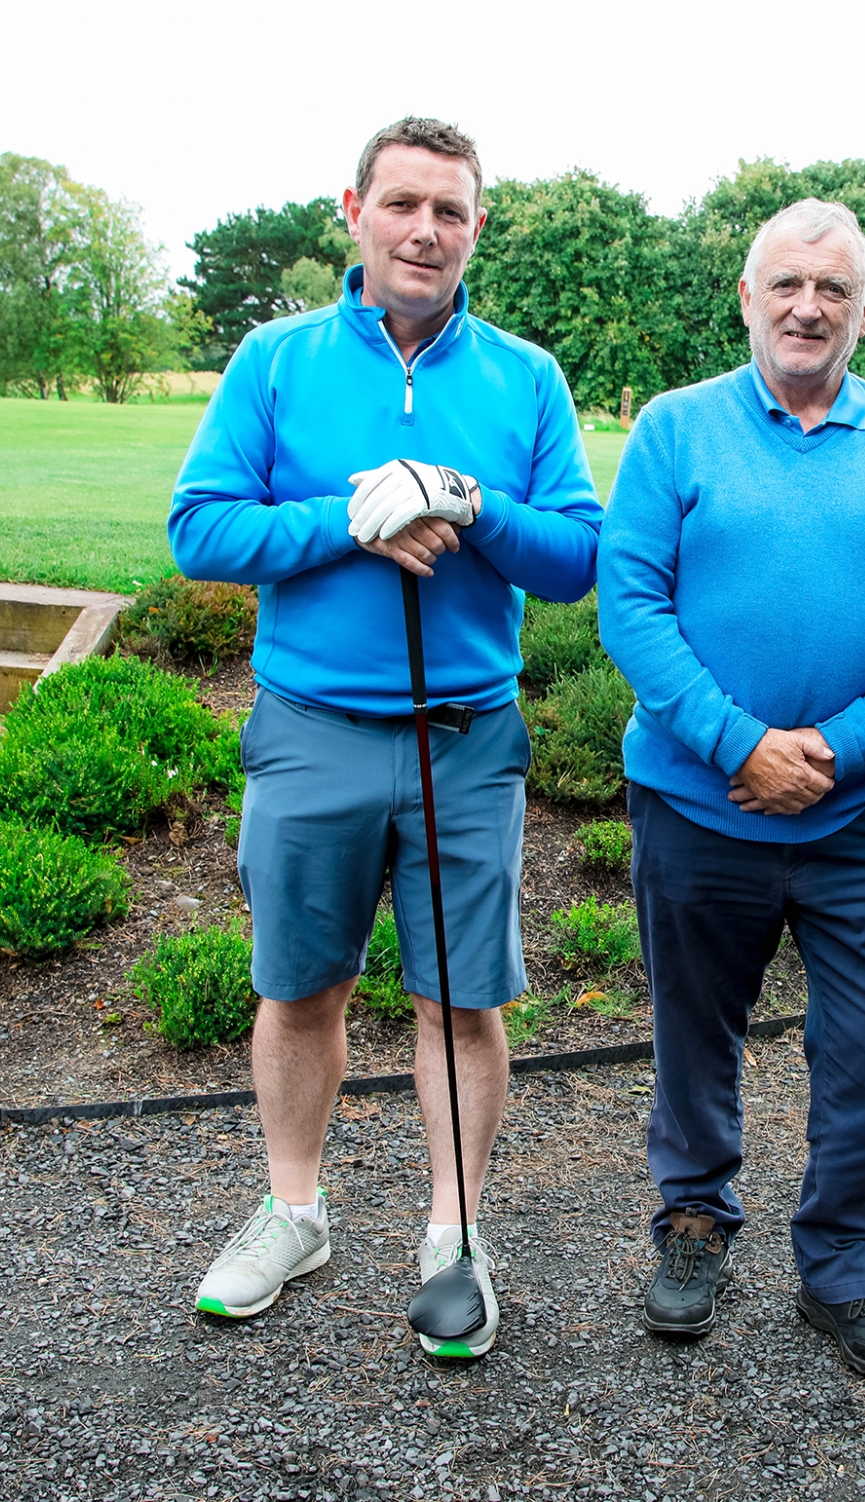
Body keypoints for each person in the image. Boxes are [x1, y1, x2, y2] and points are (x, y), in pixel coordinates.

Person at [168, 117, 602, 1357]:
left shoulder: (524, 377)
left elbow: (577, 557)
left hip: (467, 737)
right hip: (312, 728)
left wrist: (462, 498)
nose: (426, 230)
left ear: (476, 226)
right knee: (300, 986)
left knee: (460, 999)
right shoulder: (276, 358)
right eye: (403, 204)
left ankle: (453, 1235)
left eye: (451, 212)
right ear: (352, 208)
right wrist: (351, 516)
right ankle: (293, 1209)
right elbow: (200, 530)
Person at [598, 199, 865, 1378]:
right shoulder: (676, 432)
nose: (807, 306)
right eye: (786, 285)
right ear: (750, 299)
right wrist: (736, 743)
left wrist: (839, 747)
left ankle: (841, 1260)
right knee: (693, 1028)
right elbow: (631, 603)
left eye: (833, 289)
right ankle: (696, 1219)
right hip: (696, 800)